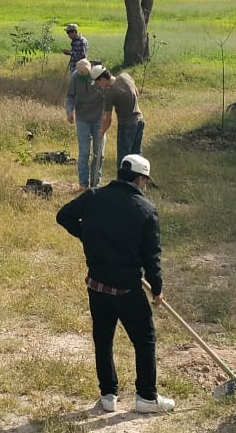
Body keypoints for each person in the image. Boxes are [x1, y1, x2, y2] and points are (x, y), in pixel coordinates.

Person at [55, 154, 174, 415]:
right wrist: (157, 289)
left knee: (103, 340)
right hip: (127, 289)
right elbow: (151, 257)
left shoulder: (94, 196)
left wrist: (88, 236)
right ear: (140, 179)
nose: (145, 184)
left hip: (97, 285)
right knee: (145, 341)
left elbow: (64, 216)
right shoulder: (146, 209)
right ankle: (146, 397)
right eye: (145, 180)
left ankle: (108, 395)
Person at [64, 60, 108, 188]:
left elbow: (109, 90)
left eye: (86, 75)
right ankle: (83, 184)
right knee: (84, 152)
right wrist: (69, 111)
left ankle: (95, 183)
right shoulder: (75, 77)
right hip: (82, 119)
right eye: (81, 75)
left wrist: (107, 112)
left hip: (99, 119)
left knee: (99, 152)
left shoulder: (99, 74)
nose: (84, 78)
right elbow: (70, 97)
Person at [93, 67, 145, 166]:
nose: (99, 86)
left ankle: (123, 176)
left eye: (98, 83)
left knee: (123, 158)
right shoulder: (125, 76)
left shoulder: (110, 93)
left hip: (127, 125)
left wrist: (102, 131)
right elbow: (137, 93)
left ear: (102, 79)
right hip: (140, 120)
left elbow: (108, 120)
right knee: (137, 155)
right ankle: (137, 175)